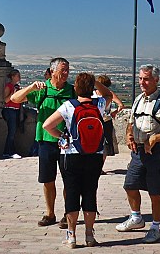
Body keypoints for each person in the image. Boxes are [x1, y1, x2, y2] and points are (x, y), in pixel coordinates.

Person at [43, 72, 113, 248]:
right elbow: (109, 94)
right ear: (91, 88)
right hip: (95, 155)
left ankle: (72, 235)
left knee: (72, 193)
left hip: (71, 155)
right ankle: (89, 235)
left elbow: (47, 125)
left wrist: (62, 137)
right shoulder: (100, 104)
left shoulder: (69, 106)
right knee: (90, 193)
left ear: (76, 88)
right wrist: (95, 82)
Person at [116, 64, 160, 244]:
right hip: (138, 151)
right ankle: (136, 218)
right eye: (140, 79)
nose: (142, 82)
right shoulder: (139, 99)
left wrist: (156, 138)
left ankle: (155, 227)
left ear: (156, 80)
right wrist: (130, 135)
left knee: (154, 192)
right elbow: (132, 121)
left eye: (146, 79)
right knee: (130, 184)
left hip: (157, 153)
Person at [9, 57, 75, 229]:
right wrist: (31, 87)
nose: (66, 74)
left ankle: (67, 213)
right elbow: (14, 99)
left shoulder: (72, 90)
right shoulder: (43, 89)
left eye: (67, 70)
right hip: (46, 141)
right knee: (48, 179)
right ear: (52, 71)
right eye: (63, 70)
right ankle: (50, 213)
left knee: (69, 180)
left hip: (67, 142)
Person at [95, 74, 123, 169]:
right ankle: (100, 167)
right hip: (106, 120)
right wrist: (114, 112)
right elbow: (121, 105)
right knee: (105, 144)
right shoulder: (109, 94)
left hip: (95, 121)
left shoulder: (93, 93)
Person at [2, 69, 22, 159]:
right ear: (13, 77)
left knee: (12, 132)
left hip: (15, 110)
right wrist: (13, 93)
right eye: (18, 75)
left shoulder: (17, 86)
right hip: (9, 110)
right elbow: (5, 100)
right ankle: (10, 152)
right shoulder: (8, 86)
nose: (19, 77)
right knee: (12, 132)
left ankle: (6, 152)